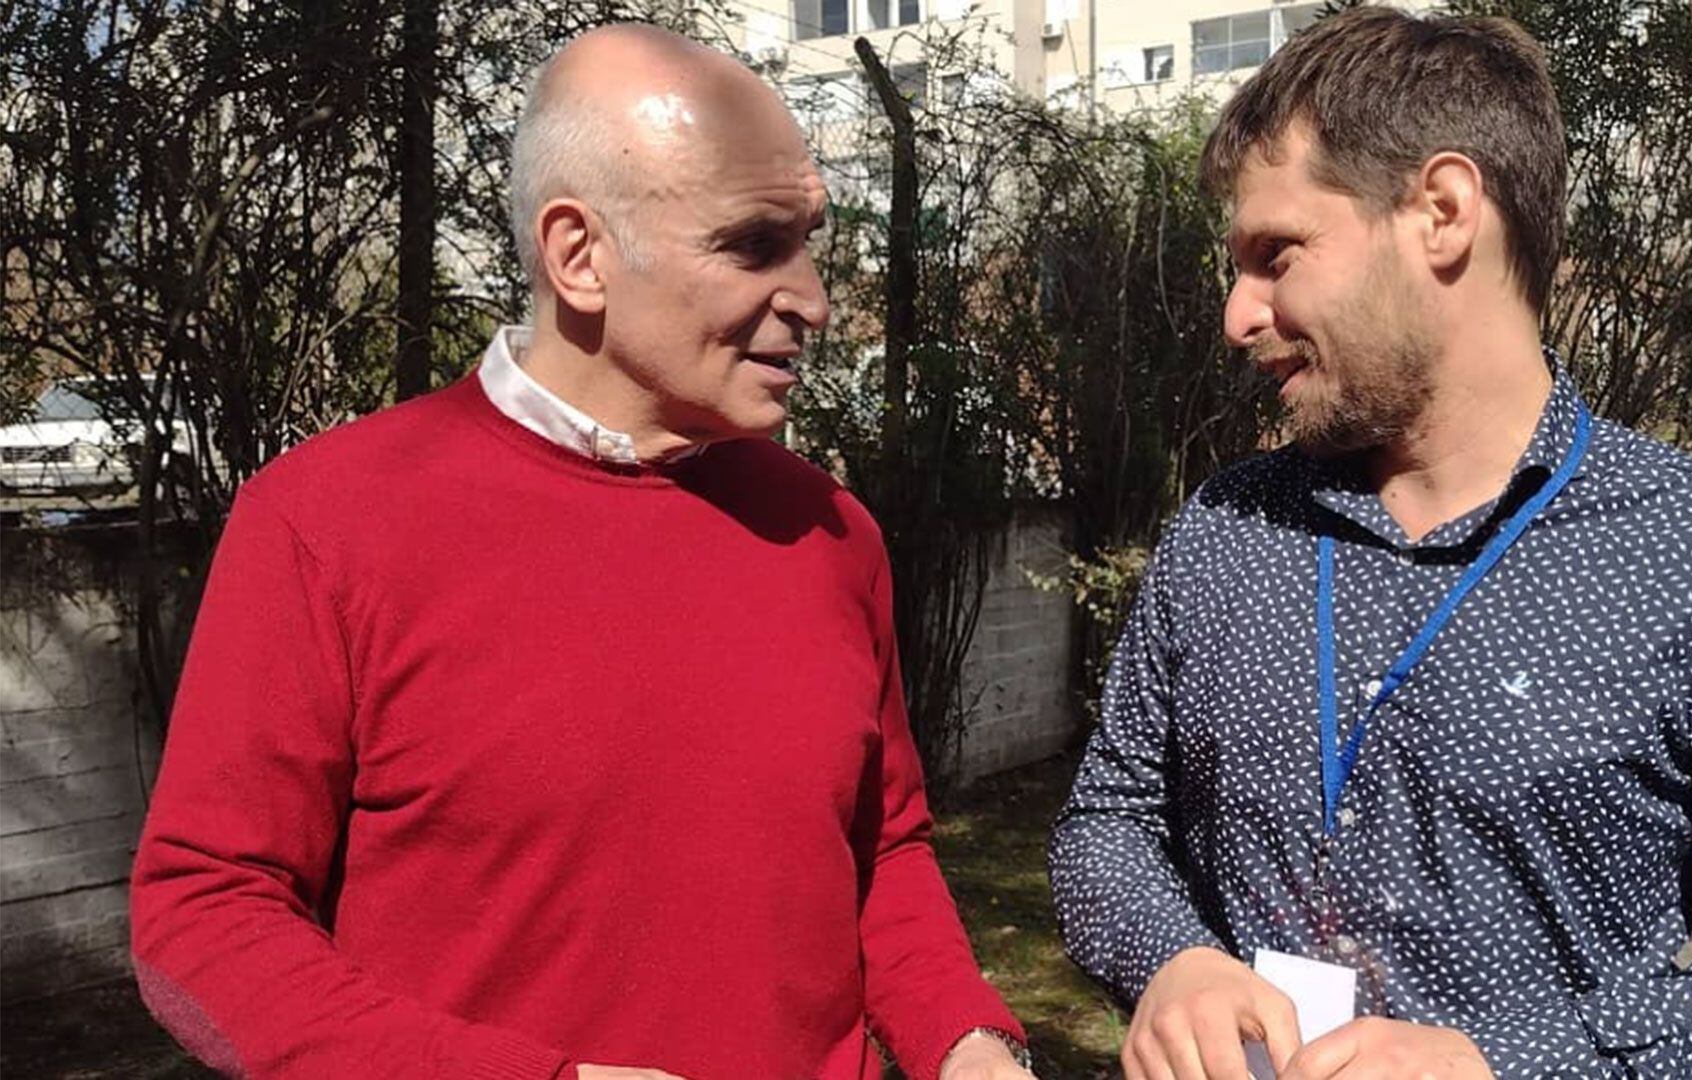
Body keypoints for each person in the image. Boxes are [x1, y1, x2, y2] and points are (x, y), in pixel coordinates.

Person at [130, 25, 1033, 1080]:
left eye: (808, 240)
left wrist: (969, 1044)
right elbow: (205, 912)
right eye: (753, 245)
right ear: (579, 254)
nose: (815, 300)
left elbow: (881, 854)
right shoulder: (324, 522)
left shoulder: (832, 534)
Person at [1049, 7, 1692, 1078]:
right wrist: (1172, 959)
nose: (1237, 313)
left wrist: (1506, 1063)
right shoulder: (1225, 534)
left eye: (1275, 255)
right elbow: (1109, 826)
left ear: (1444, 212)